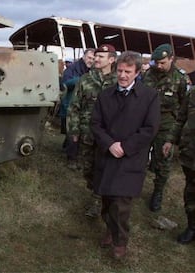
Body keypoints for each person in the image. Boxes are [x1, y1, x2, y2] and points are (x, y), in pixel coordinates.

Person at [91, 51, 160, 259]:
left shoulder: (149, 97)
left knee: (121, 204)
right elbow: (95, 124)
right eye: (120, 70)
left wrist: (126, 147)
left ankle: (120, 241)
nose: (122, 75)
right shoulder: (105, 95)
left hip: (130, 158)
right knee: (106, 200)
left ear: (137, 72)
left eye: (127, 71)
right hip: (107, 155)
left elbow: (150, 128)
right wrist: (110, 144)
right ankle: (109, 230)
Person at [67, 44, 117, 217]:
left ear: (111, 59)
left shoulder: (119, 81)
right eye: (95, 56)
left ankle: (98, 200)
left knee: (105, 168)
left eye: (101, 57)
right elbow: (74, 106)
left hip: (109, 136)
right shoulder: (85, 79)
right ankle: (95, 190)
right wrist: (73, 130)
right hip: (87, 133)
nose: (96, 59)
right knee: (87, 168)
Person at [142, 43, 188, 212]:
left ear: (171, 59)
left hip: (166, 126)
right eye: (157, 63)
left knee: (163, 161)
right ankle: (133, 185)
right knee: (138, 156)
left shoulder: (180, 79)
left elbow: (184, 107)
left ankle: (158, 192)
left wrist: (177, 134)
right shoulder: (148, 75)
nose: (159, 66)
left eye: (163, 62)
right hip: (145, 124)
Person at [60, 48, 95, 169]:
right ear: (84, 57)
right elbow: (64, 83)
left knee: (77, 130)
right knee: (73, 129)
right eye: (89, 58)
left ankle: (69, 149)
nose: (91, 60)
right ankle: (72, 159)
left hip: (85, 105)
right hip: (70, 103)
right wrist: (82, 80)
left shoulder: (93, 71)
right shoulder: (73, 68)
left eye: (93, 59)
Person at [176, 85, 195, 244]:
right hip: (190, 153)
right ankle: (192, 226)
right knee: (191, 191)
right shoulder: (193, 92)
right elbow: (181, 118)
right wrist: (170, 139)